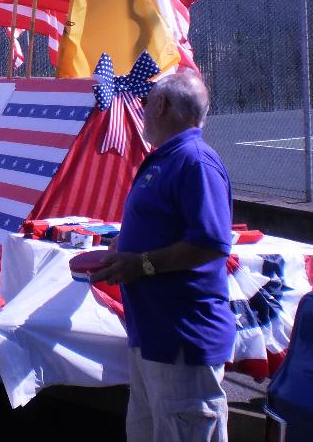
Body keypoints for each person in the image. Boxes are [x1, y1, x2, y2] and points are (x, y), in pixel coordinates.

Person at [89, 71, 235, 442]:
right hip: (153, 337)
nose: (141, 110)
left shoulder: (195, 162)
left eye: (146, 102)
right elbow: (167, 225)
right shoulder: (167, 159)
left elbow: (211, 243)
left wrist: (142, 264)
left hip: (181, 340)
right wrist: (124, 243)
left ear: (163, 105)